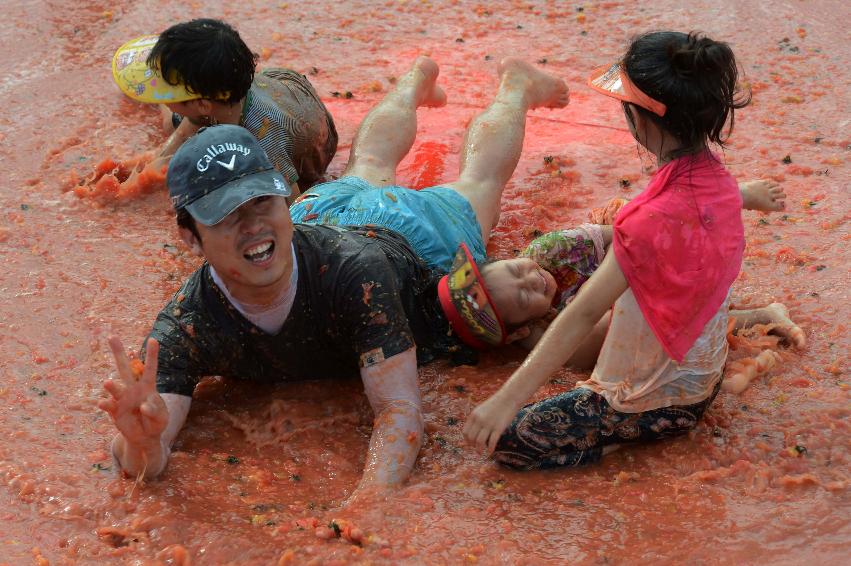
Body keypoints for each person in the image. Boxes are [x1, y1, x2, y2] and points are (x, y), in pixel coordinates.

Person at [97, 56, 571, 498]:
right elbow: (146, 456)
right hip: (317, 213)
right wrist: (140, 443)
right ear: (190, 237)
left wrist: (367, 507)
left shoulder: (357, 276)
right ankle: (412, 84)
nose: (254, 225)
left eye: (262, 200)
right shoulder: (182, 328)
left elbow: (399, 411)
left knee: (478, 183)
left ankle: (517, 85)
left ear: (282, 196)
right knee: (366, 166)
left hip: (407, 233)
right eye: (226, 215)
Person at [463, 31, 794, 468]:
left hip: (652, 403)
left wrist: (505, 400)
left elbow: (580, 315)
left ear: (641, 121)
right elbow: (729, 196)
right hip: (705, 378)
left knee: (511, 441)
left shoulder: (646, 219)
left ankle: (620, 439)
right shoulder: (718, 181)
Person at [111, 18, 337, 197]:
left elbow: (292, 205)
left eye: (165, 93)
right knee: (176, 126)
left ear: (202, 104)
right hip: (273, 86)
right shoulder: (222, 93)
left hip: (308, 146)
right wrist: (142, 178)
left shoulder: (263, 146)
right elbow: (172, 148)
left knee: (231, 180)